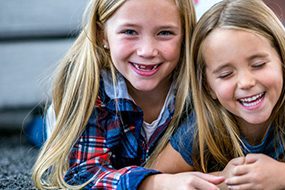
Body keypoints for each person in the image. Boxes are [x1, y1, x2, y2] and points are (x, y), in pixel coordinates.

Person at [31, 0, 225, 189]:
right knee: (41, 133)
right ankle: (36, 123)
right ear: (102, 35)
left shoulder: (198, 83)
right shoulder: (88, 86)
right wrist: (155, 183)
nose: (147, 51)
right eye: (130, 32)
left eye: (165, 33)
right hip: (68, 127)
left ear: (185, 36)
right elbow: (82, 174)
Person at [150, 0, 285, 189]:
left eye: (258, 65)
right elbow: (154, 176)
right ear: (208, 87)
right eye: (226, 74)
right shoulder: (201, 128)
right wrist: (226, 180)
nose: (246, 82)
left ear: (283, 61)